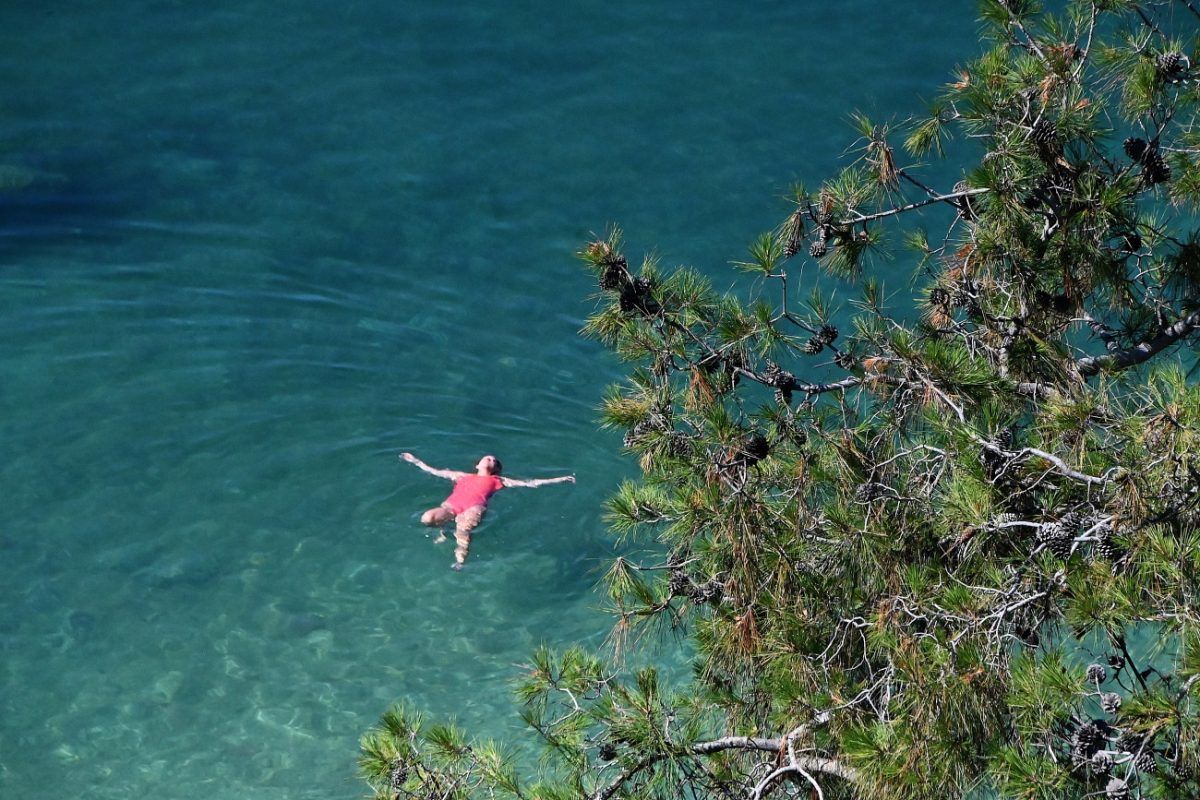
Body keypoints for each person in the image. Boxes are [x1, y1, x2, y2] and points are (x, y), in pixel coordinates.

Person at [400, 452, 575, 569]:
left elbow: (531, 483)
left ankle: (459, 561)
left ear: (496, 469)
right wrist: (415, 460)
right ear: (477, 465)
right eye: (487, 458)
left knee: (463, 532)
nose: (490, 459)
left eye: (494, 461)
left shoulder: (499, 480)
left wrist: (560, 479)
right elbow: (434, 471)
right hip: (451, 505)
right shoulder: (462, 476)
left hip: (473, 508)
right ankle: (442, 531)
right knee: (427, 518)